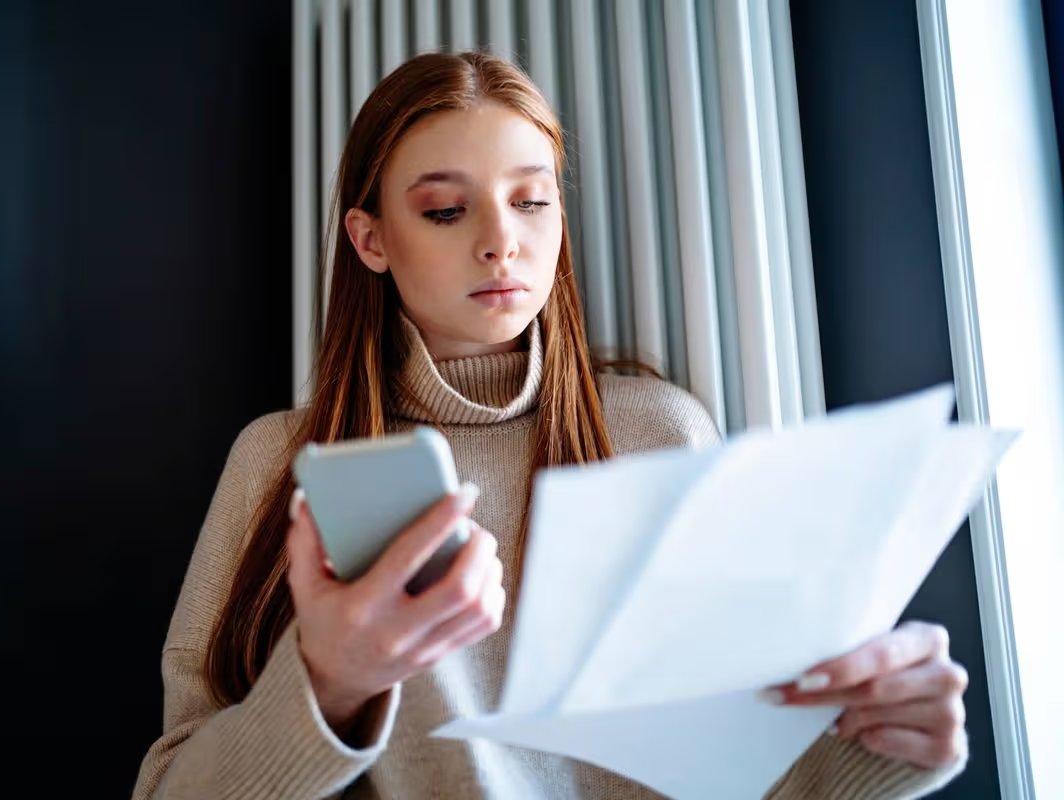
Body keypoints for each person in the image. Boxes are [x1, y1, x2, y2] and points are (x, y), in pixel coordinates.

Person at [132, 51, 968, 799]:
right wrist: (329, 680)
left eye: (532, 200)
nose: (503, 241)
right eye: (446, 212)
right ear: (371, 238)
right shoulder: (280, 463)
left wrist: (882, 751)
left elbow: (749, 769)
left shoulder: (662, 432)